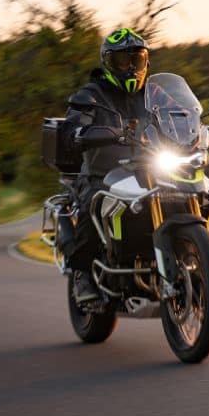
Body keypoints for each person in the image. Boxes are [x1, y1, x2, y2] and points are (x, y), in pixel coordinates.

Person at [62, 28, 149, 303]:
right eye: (123, 61)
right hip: (103, 172)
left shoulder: (152, 93)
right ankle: (82, 274)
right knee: (95, 201)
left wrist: (202, 130)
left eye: (137, 60)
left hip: (148, 170)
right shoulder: (92, 93)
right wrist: (80, 132)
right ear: (108, 63)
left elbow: (179, 114)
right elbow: (73, 125)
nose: (131, 68)